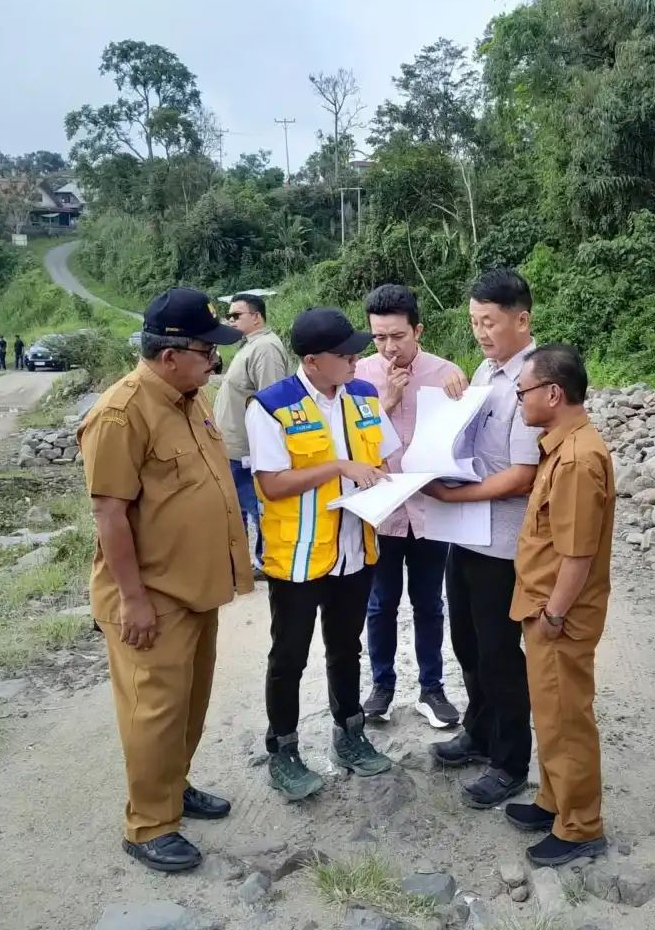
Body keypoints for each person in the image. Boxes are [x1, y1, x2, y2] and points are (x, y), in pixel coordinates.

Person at [79, 286, 251, 874]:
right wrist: (133, 600)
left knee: (188, 705)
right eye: (208, 350)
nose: (215, 360)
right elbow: (109, 514)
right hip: (151, 596)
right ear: (170, 352)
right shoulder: (120, 413)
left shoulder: (192, 396)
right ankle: (148, 824)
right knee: (152, 711)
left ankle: (172, 788)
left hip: (196, 587)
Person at [246, 307, 401, 801]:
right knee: (288, 655)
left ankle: (350, 736)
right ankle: (284, 751)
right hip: (297, 556)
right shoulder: (271, 406)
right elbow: (271, 485)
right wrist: (337, 465)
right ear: (312, 361)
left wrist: (391, 481)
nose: (356, 357)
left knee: (346, 648)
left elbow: (382, 460)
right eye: (344, 352)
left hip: (356, 549)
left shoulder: (363, 395)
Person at [424, 269, 542, 809]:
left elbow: (522, 475)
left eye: (489, 322)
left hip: (504, 542)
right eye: (473, 322)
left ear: (521, 319)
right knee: (466, 642)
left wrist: (451, 498)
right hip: (466, 537)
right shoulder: (486, 371)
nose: (480, 332)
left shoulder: (534, 381)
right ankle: (478, 730)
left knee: (499, 652)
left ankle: (510, 761)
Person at [505, 343, 613, 866]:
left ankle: (580, 826)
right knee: (550, 713)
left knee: (567, 716)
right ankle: (554, 800)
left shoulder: (578, 459)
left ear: (553, 393)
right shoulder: (562, 446)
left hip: (559, 615)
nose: (518, 400)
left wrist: (553, 617)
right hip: (545, 608)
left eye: (523, 391)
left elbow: (577, 554)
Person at [355, 285, 462, 730]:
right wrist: (387, 403)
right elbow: (350, 444)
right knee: (380, 606)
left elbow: (465, 436)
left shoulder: (447, 374)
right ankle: (381, 687)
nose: (389, 347)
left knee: (429, 604)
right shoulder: (358, 376)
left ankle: (431, 689)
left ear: (418, 329)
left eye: (398, 336)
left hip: (429, 509)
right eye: (379, 337)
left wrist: (463, 396)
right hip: (381, 512)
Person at [213, 292, 293, 580]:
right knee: (240, 507)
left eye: (236, 315)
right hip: (234, 446)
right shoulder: (251, 345)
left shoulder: (266, 349)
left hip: (248, 449)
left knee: (254, 507)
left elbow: (271, 400)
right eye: (229, 316)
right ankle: (248, 564)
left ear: (256, 317)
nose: (230, 320)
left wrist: (265, 450)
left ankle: (264, 563)